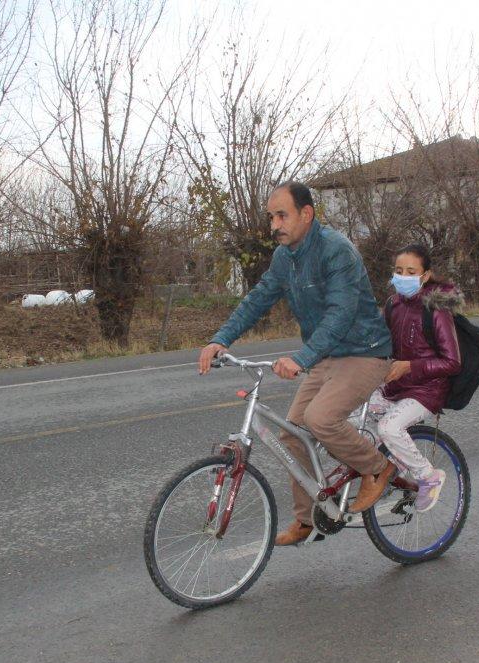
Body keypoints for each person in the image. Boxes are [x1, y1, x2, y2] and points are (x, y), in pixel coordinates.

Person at [198, 181, 395, 546]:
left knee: (321, 419)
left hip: (364, 352)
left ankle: (378, 469)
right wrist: (220, 339)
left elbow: (340, 314)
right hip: (326, 356)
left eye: (281, 215)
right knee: (293, 433)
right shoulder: (284, 258)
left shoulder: (337, 251)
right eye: (271, 217)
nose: (274, 224)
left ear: (306, 214)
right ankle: (309, 519)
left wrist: (302, 358)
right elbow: (258, 299)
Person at [368, 244, 463, 511]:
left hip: (426, 390)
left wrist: (411, 366)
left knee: (388, 427)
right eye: (399, 271)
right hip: (395, 385)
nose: (403, 276)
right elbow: (378, 342)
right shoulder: (392, 304)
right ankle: (393, 471)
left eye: (411, 271)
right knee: (353, 419)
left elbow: (452, 361)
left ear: (425, 276)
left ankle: (428, 476)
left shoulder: (436, 308)